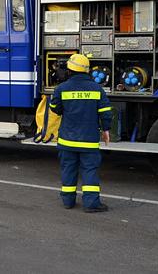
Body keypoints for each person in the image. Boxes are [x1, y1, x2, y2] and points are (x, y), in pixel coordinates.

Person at [48, 53, 112, 213]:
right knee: (89, 170)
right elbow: (105, 112)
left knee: (68, 169)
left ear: (69, 70)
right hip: (88, 140)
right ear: (87, 71)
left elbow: (55, 109)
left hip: (67, 140)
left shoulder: (61, 89)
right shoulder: (97, 89)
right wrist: (106, 130)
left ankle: (68, 201)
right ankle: (91, 203)